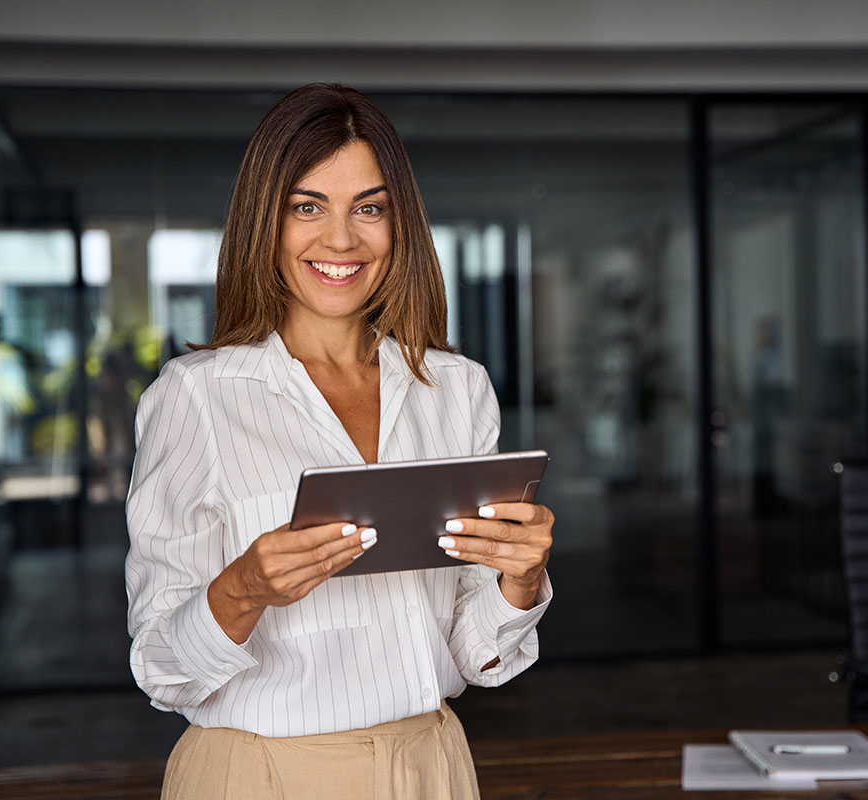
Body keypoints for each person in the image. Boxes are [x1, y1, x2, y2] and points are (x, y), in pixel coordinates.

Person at [125, 84, 554, 799]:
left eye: (369, 208)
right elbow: (161, 668)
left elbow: (475, 653)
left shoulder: (457, 389)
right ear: (268, 220)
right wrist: (242, 591)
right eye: (307, 206)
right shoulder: (195, 396)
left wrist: (521, 580)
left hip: (431, 766)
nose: (341, 240)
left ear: (398, 224)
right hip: (260, 774)